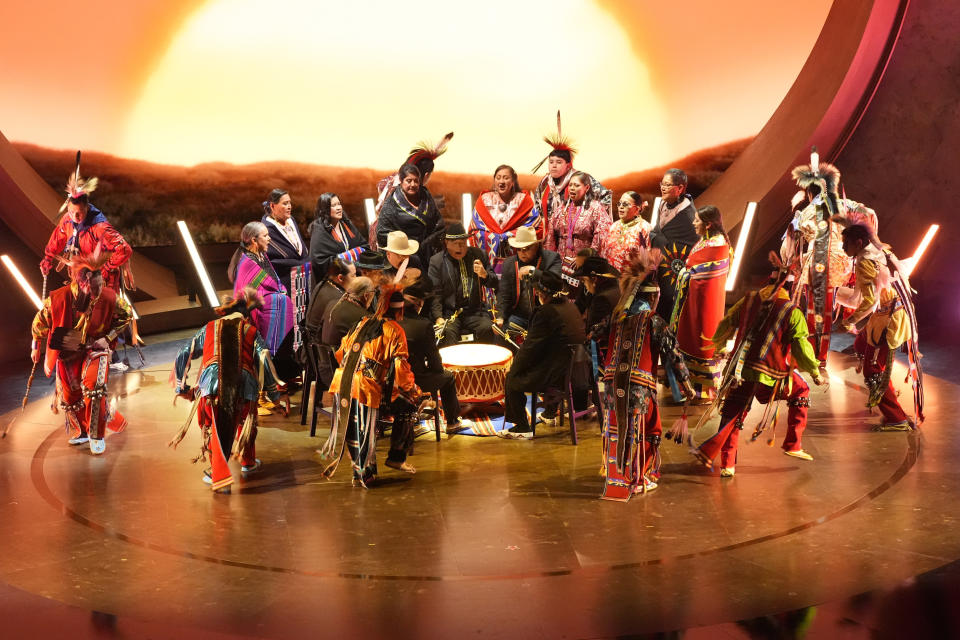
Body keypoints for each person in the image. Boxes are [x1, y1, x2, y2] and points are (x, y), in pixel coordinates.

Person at [693, 274, 826, 478]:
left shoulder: (748, 300)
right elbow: (801, 345)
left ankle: (728, 464)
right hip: (770, 373)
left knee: (732, 414)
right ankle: (793, 443)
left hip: (740, 371)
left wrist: (719, 345)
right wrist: (815, 372)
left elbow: (728, 322)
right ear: (789, 289)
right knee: (801, 389)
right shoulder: (791, 310)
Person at [599, 249, 693, 500]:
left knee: (618, 429)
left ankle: (616, 473)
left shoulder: (616, 317)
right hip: (639, 388)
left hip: (611, 386)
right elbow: (673, 354)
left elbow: (593, 333)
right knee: (647, 429)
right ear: (653, 299)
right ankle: (639, 476)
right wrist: (687, 385)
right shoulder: (653, 320)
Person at [169, 288, 281, 493]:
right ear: (245, 315)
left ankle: (218, 473)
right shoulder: (250, 330)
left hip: (210, 386)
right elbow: (264, 358)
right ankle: (247, 462)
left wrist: (181, 386)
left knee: (213, 427)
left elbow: (185, 351)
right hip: (243, 386)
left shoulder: (209, 328)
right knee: (245, 423)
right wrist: (274, 394)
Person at [320, 285, 431, 487]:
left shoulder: (362, 322)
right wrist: (415, 391)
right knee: (405, 406)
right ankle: (391, 460)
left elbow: (341, 353)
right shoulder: (395, 330)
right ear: (400, 311)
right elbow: (401, 370)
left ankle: (359, 473)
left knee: (354, 429)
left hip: (341, 382)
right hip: (364, 387)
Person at [30, 251, 133, 455]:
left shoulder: (109, 297)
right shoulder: (58, 299)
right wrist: (35, 346)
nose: (98, 293)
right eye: (94, 290)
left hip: (97, 348)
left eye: (100, 287)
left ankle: (97, 435)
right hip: (69, 349)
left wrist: (108, 338)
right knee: (70, 397)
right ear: (83, 283)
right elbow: (39, 323)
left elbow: (127, 315)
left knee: (95, 387)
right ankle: (83, 431)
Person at [782, 156, 868, 369]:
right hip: (839, 264)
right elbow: (868, 215)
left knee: (815, 311)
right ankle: (818, 356)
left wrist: (795, 210)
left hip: (817, 265)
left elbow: (789, 243)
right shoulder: (846, 205)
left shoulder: (808, 210)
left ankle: (813, 355)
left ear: (812, 191)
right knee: (825, 311)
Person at [838, 224, 922, 431]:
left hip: (888, 319)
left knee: (872, 370)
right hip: (894, 311)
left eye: (845, 243)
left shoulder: (865, 261)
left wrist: (848, 322)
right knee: (859, 345)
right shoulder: (882, 250)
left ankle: (896, 419)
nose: (842, 247)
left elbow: (869, 302)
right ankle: (889, 392)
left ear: (858, 243)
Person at [498, 270, 587, 439]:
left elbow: (530, 348)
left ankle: (522, 427)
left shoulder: (546, 312)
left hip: (559, 374)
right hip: (580, 371)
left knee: (512, 379)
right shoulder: (571, 306)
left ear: (540, 293)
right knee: (551, 358)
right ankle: (549, 413)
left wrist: (515, 367)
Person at [670, 206, 731, 403]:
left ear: (708, 224)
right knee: (692, 337)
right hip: (693, 299)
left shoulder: (719, 244)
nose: (693, 223)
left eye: (697, 220)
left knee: (705, 338)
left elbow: (706, 273)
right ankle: (692, 386)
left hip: (707, 303)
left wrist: (686, 273)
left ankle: (707, 390)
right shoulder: (705, 241)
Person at [41, 168, 133, 295]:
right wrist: (48, 258)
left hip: (103, 282)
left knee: (105, 312)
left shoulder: (99, 227)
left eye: (79, 213)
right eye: (71, 212)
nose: (74, 217)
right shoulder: (67, 219)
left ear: (87, 208)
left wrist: (103, 269)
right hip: (80, 278)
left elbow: (124, 249)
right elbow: (58, 237)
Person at [397, 281, 473, 434]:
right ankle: (452, 422)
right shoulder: (423, 325)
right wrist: (437, 371)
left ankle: (414, 419)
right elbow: (434, 360)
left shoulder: (387, 321)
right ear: (419, 304)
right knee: (447, 377)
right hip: (412, 379)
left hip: (387, 379)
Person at [232, 221, 298, 381]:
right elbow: (248, 295)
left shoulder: (263, 255)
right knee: (282, 304)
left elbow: (274, 279)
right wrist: (278, 296)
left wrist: (281, 289)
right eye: (265, 236)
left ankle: (285, 369)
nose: (269, 239)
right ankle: (274, 373)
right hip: (256, 312)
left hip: (271, 304)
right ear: (254, 240)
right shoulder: (247, 263)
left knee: (285, 304)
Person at [531, 112, 612, 228]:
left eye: (559, 162)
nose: (554, 165)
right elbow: (538, 205)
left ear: (568, 165)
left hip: (576, 236)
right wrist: (540, 217)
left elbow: (606, 196)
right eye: (551, 162)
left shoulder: (580, 178)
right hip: (551, 235)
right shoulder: (545, 183)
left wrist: (589, 217)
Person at [428, 223, 498, 346]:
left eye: (463, 243)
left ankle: (483, 364)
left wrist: (484, 275)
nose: (460, 248)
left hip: (474, 311)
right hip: (450, 313)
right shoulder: (437, 261)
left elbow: (495, 283)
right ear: (446, 243)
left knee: (487, 327)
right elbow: (435, 294)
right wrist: (438, 317)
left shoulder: (479, 255)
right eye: (455, 244)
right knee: (447, 332)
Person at [468, 164, 541, 272]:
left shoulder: (523, 200)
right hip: (489, 261)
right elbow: (474, 228)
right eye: (498, 178)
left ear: (513, 181)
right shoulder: (484, 199)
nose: (501, 181)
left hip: (518, 258)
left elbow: (535, 226)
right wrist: (494, 237)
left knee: (515, 285)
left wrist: (508, 235)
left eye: (506, 178)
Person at [649, 169, 699, 320]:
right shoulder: (663, 203)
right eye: (662, 184)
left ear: (680, 188)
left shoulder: (689, 215)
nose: (663, 187)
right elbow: (658, 231)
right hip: (661, 263)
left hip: (675, 268)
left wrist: (656, 237)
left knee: (671, 302)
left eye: (668, 184)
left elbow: (688, 245)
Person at [496, 225, 562, 337]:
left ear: (536, 246)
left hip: (544, 315)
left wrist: (533, 271)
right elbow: (504, 293)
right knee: (502, 336)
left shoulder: (552, 258)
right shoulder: (509, 263)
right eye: (518, 249)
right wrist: (500, 317)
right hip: (519, 316)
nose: (522, 252)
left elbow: (556, 283)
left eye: (526, 248)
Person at [376, 164, 446, 266]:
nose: (413, 184)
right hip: (406, 255)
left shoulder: (425, 195)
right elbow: (382, 233)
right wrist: (406, 245)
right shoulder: (391, 204)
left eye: (416, 181)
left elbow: (438, 221)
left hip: (430, 252)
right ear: (401, 180)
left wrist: (430, 242)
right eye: (408, 181)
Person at [543, 170, 612, 274]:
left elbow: (602, 236)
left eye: (576, 185)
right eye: (570, 185)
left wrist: (586, 257)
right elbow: (551, 238)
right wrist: (551, 261)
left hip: (584, 266)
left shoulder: (595, 209)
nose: (572, 188)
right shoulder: (562, 209)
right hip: (560, 264)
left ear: (587, 188)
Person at [572, 255, 621, 365]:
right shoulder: (616, 290)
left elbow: (593, 336)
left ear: (594, 279)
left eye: (584, 280)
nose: (584, 285)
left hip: (602, 358)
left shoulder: (601, 299)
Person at [308, 192, 367, 280]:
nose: (339, 208)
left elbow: (364, 246)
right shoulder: (319, 230)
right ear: (325, 209)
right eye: (334, 205)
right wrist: (349, 256)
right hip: (333, 281)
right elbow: (319, 262)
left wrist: (349, 256)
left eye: (339, 204)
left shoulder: (346, 224)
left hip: (355, 276)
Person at [305, 257, 356, 345]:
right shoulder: (337, 299)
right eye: (353, 275)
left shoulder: (322, 284)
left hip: (314, 346)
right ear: (340, 278)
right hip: (323, 352)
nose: (356, 279)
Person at [321, 276, 375, 350]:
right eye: (373, 293)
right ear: (366, 295)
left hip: (322, 358)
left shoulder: (331, 303)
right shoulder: (364, 317)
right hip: (340, 359)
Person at [603, 191, 651, 272]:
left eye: (625, 204)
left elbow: (648, 261)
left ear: (636, 209)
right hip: (610, 279)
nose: (621, 207)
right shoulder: (614, 226)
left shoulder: (645, 228)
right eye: (619, 203)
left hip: (630, 281)